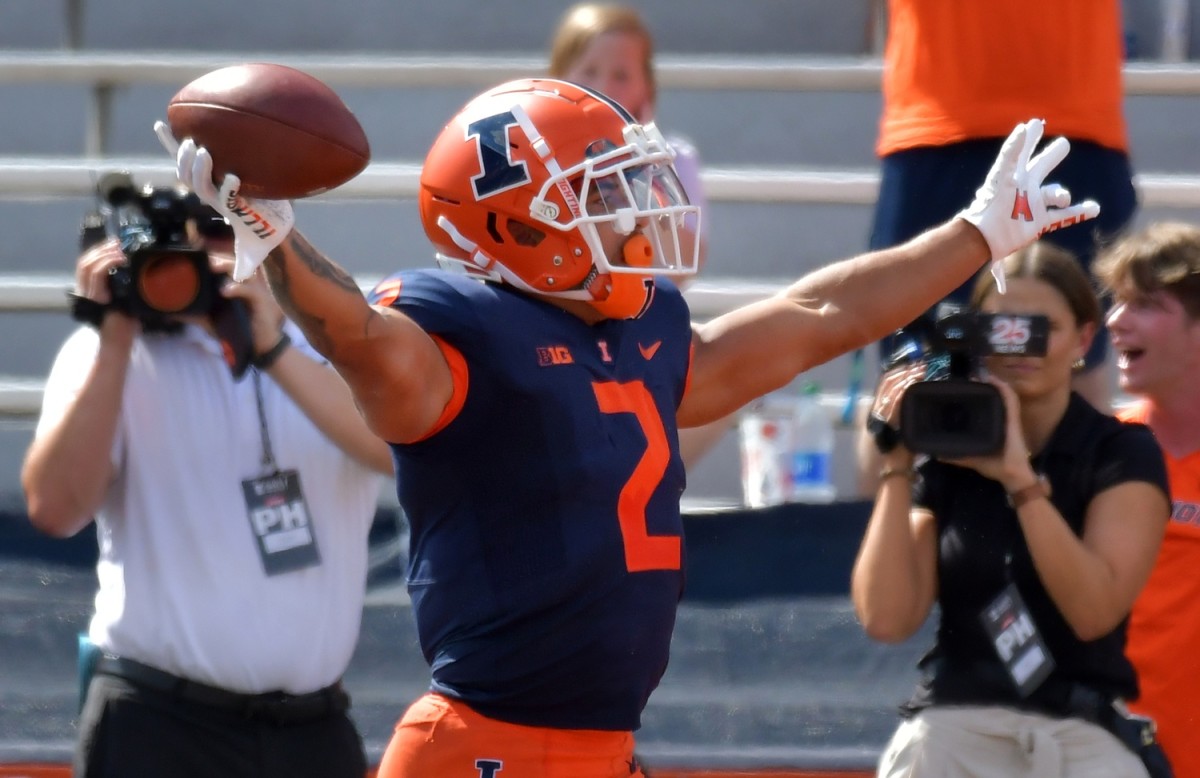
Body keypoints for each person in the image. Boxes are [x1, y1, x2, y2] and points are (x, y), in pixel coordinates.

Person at [159, 76, 1098, 776]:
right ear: (517, 221)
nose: (629, 212)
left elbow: (820, 320)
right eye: (600, 192)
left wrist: (973, 234)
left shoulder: (640, 338)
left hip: (604, 749)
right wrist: (275, 237)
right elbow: (358, 335)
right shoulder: (458, 335)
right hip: (483, 746)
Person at [20, 190, 393, 778]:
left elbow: (396, 451)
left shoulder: (334, 341)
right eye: (205, 232)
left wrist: (271, 346)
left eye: (240, 226)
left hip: (311, 731)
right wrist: (115, 334)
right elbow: (56, 510)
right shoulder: (107, 354)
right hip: (157, 722)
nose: (223, 251)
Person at [851, 243, 1172, 777]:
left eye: (1038, 328)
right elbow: (887, 618)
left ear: (1084, 338)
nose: (1018, 346)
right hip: (956, 723)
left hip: (1077, 732)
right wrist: (897, 464)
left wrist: (1020, 482)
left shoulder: (1118, 452)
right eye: (1000, 328)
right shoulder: (951, 451)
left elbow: (1093, 612)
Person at [866, 0, 1137, 411]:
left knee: (1075, 356)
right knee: (911, 371)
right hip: (938, 120)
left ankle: (1087, 477)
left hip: (1070, 117)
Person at [546, 2, 724, 468]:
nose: (604, 87)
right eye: (589, 71)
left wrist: (639, 178)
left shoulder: (670, 160)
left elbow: (685, 260)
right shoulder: (541, 166)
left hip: (633, 327)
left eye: (622, 74)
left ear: (648, 88)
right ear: (557, 78)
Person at [1095, 222, 1200, 778]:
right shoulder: (1096, 451)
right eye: (1116, 302)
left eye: (1146, 305)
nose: (1115, 321)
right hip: (1102, 756)